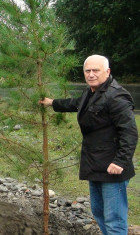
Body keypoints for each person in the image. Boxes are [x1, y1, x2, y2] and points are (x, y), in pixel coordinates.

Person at [39, 55, 137, 235]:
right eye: (88, 71)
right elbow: (76, 104)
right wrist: (52, 103)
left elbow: (129, 132)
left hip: (112, 167)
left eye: (96, 70)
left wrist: (121, 162)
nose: (91, 74)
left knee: (114, 218)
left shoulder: (117, 96)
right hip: (94, 163)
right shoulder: (90, 92)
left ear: (107, 72)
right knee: (99, 212)